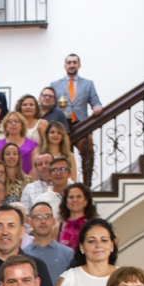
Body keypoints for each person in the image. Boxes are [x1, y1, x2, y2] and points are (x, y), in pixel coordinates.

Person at [52, 218, 117, 286]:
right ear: (82, 247)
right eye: (91, 241)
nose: (98, 245)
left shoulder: (124, 277)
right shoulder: (68, 279)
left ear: (112, 245)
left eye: (104, 240)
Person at [50, 54, 102, 187]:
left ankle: (87, 183)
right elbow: (51, 104)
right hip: (62, 124)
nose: (72, 65)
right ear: (65, 66)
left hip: (81, 123)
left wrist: (97, 106)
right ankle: (66, 184)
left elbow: (95, 100)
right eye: (69, 62)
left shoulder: (88, 84)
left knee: (88, 148)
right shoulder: (55, 85)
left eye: (74, 62)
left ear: (79, 65)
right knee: (63, 155)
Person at [24, 198, 74, 286]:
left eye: (47, 217)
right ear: (30, 223)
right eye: (38, 217)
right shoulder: (22, 254)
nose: (43, 221)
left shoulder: (67, 254)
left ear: (54, 221)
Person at [57, 183, 96, 249]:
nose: (74, 200)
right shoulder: (58, 227)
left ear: (85, 201)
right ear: (66, 202)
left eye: (79, 196)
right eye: (71, 197)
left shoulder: (94, 225)